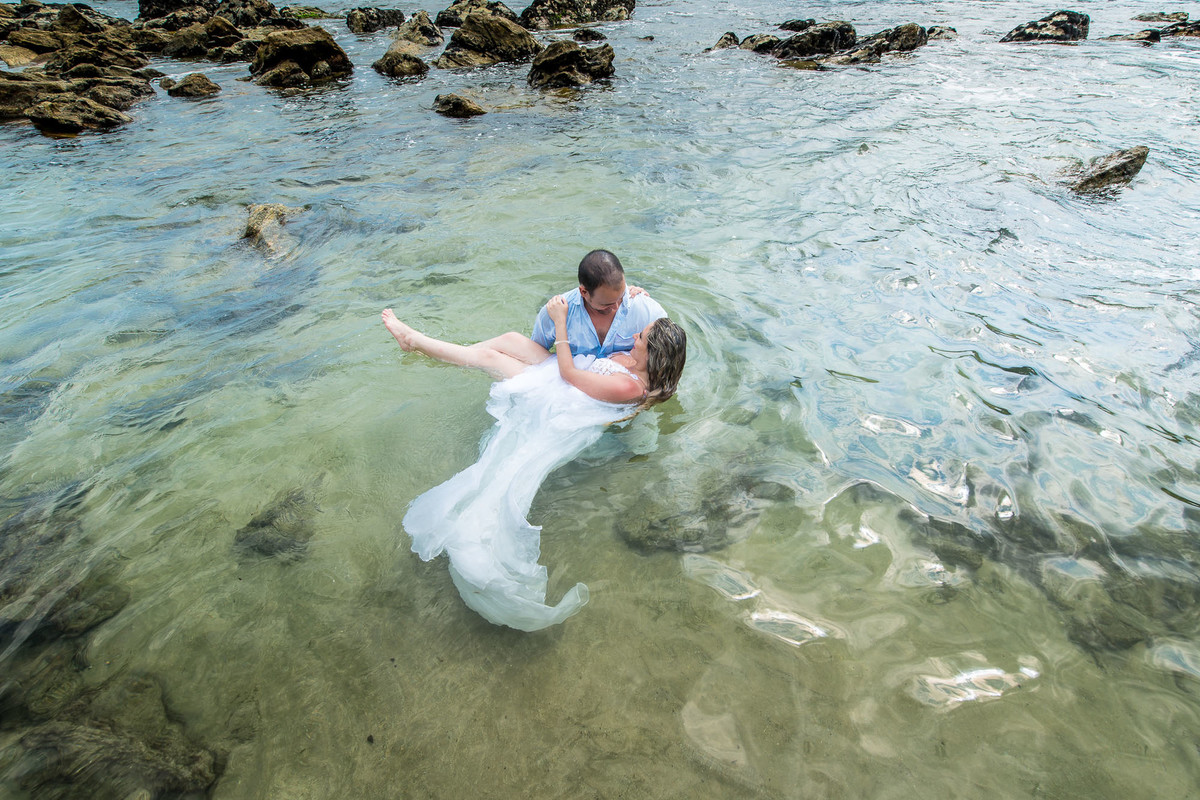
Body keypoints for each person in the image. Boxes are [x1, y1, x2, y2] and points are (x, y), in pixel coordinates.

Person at [381, 297, 686, 405]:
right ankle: (449, 354)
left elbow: (569, 376)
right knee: (511, 339)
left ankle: (415, 340)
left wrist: (561, 323)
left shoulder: (629, 386)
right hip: (566, 373)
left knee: (490, 358)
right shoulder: (635, 363)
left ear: (653, 355)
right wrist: (636, 292)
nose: (635, 334)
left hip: (558, 392)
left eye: (642, 338)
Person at [530, 249, 667, 359]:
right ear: (584, 292)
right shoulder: (555, 312)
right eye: (607, 304)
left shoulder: (648, 311)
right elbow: (536, 354)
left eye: (621, 297)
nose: (617, 307)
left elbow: (667, 359)